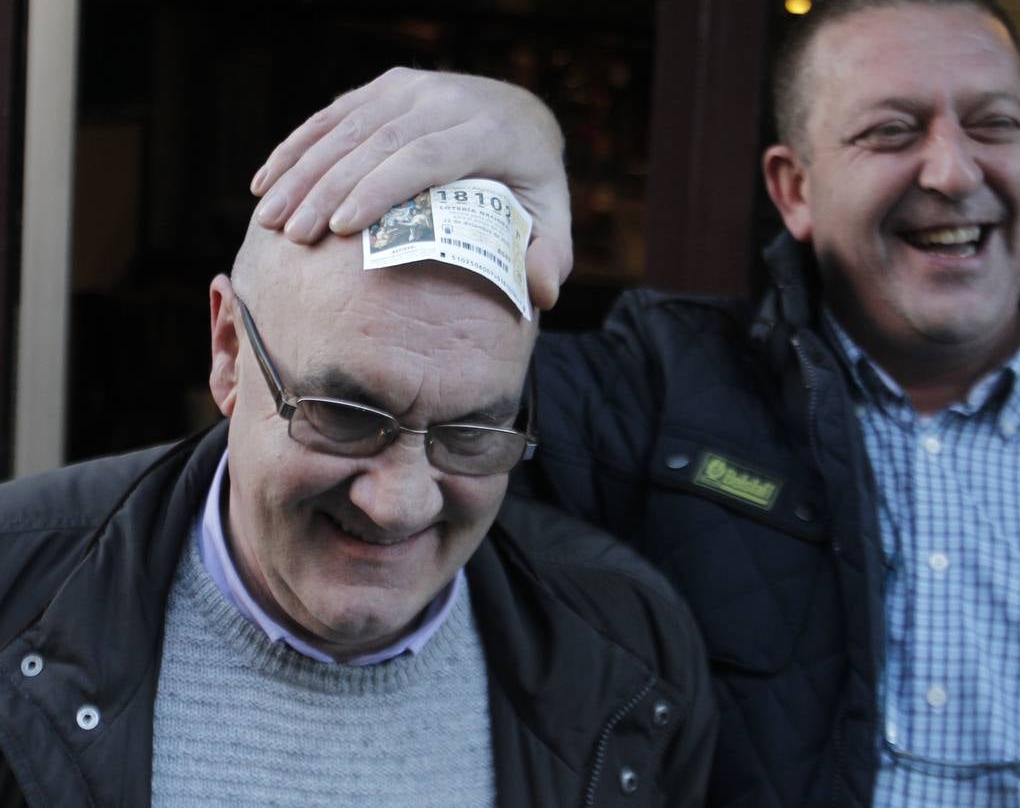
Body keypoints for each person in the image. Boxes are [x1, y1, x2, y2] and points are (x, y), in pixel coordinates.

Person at [251, 0, 1020, 807]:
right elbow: (333, 410)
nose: (952, 171)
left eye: (992, 125)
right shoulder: (662, 396)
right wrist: (516, 144)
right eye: (891, 132)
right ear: (793, 190)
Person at [0, 192, 715, 805]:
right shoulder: (14, 584)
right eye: (344, 415)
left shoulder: (629, 650)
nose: (399, 504)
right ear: (228, 351)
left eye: (470, 432)